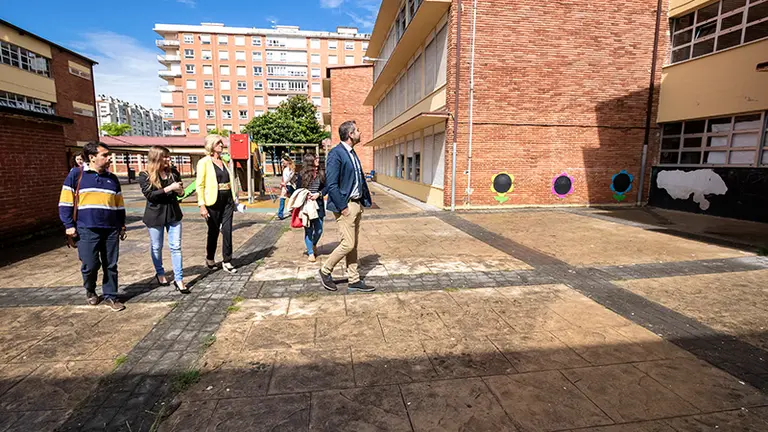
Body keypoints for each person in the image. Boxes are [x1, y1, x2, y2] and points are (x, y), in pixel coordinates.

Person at [59, 142, 126, 311]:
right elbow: (65, 201)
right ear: (92, 157)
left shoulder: (112, 178)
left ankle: (111, 295)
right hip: (86, 228)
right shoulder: (77, 174)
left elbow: (119, 204)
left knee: (111, 264)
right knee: (90, 264)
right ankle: (90, 290)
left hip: (110, 229)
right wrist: (68, 225)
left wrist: (122, 225)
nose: (109, 158)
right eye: (104, 155)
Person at [319, 120, 373, 292]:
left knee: (353, 244)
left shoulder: (352, 153)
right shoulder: (336, 153)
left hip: (356, 204)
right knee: (348, 244)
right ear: (350, 134)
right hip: (346, 205)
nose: (360, 133)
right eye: (357, 130)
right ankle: (325, 270)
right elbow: (332, 184)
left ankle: (354, 279)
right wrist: (343, 207)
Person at [138, 146, 190, 294]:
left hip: (173, 214)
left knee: (176, 247)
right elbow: (150, 195)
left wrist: (180, 190)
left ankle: (179, 279)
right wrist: (170, 188)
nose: (168, 159)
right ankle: (160, 273)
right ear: (156, 158)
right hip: (155, 216)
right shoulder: (145, 175)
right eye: (165, 157)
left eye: (169, 156)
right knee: (156, 246)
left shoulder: (173, 173)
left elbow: (180, 192)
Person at [196, 134, 238, 274]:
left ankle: (227, 260)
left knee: (227, 231)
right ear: (211, 146)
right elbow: (200, 185)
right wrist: (202, 205)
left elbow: (231, 181)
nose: (221, 145)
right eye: (218, 143)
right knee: (213, 232)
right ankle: (210, 258)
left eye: (221, 143)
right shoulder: (204, 162)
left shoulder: (224, 162)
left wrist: (234, 198)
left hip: (227, 201)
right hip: (212, 202)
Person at [295, 153, 326, 262]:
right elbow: (297, 189)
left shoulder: (322, 173)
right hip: (306, 206)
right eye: (315, 158)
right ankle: (311, 253)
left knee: (319, 229)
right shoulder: (302, 174)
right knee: (308, 229)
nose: (318, 159)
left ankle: (313, 244)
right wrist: (305, 194)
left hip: (319, 205)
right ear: (310, 161)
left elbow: (326, 187)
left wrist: (319, 194)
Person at [277, 155, 295, 220]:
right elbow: (284, 178)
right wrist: (282, 184)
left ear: (287, 161)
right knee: (283, 198)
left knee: (291, 198)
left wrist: (284, 183)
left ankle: (283, 213)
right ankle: (280, 213)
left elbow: (290, 178)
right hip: (285, 185)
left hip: (289, 185)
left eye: (283, 161)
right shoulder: (285, 169)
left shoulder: (291, 169)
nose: (282, 163)